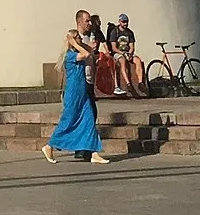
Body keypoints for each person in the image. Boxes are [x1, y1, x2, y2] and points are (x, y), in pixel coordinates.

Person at [43, 11, 106, 164]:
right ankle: (50, 145)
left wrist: (81, 44)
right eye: (77, 39)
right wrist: (76, 44)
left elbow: (90, 52)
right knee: (68, 120)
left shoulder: (78, 51)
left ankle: (93, 152)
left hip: (83, 90)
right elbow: (85, 54)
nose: (80, 41)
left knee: (89, 118)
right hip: (73, 92)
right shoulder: (70, 56)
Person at [107, 15, 144, 97]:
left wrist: (130, 53)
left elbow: (132, 46)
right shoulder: (114, 32)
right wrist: (123, 53)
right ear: (119, 22)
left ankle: (141, 83)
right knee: (122, 61)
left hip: (127, 52)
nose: (125, 24)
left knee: (138, 60)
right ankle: (128, 84)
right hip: (118, 53)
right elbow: (114, 48)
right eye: (123, 22)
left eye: (126, 22)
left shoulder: (130, 33)